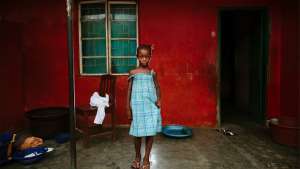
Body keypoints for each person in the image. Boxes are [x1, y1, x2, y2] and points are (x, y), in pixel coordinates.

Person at [127, 44, 162, 169]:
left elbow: (157, 87)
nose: (144, 59)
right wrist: (128, 108)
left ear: (150, 57)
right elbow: (129, 91)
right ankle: (137, 157)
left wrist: (159, 100)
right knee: (137, 134)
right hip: (137, 107)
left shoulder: (152, 73)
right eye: (141, 56)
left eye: (146, 57)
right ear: (137, 57)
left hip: (150, 106)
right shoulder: (133, 73)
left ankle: (146, 158)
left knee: (150, 133)